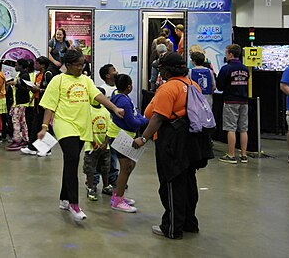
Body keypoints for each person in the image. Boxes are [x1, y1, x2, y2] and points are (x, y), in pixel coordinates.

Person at [38, 49, 125, 222]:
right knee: (72, 159)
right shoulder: (58, 80)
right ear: (68, 65)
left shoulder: (86, 80)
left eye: (82, 64)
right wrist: (44, 126)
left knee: (70, 161)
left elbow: (98, 95)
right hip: (64, 125)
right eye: (77, 65)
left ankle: (63, 198)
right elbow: (50, 106)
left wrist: (114, 108)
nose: (80, 68)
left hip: (82, 126)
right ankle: (73, 203)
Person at [132, 52, 210, 239]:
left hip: (172, 140)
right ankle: (189, 222)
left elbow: (158, 117)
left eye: (161, 68)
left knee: (171, 182)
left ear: (167, 69)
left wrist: (143, 138)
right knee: (188, 181)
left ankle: (172, 227)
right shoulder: (192, 84)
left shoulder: (168, 88)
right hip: (191, 139)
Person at [108, 74, 149, 213]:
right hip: (121, 136)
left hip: (123, 135)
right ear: (129, 86)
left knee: (130, 165)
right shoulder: (124, 101)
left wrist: (139, 118)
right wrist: (145, 121)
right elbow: (132, 121)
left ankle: (118, 194)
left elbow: (133, 116)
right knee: (126, 167)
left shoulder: (121, 97)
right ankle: (118, 199)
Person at [216, 44, 249, 164]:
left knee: (231, 128)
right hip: (244, 101)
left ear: (230, 54)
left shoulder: (226, 69)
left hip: (230, 101)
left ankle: (231, 155)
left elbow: (220, 86)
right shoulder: (245, 68)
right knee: (243, 128)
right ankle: (244, 155)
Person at [83, 88, 111, 202]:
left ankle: (106, 186)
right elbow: (85, 127)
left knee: (105, 168)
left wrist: (105, 143)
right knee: (90, 169)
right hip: (91, 146)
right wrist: (93, 142)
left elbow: (110, 128)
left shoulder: (105, 111)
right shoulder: (87, 110)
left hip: (104, 147)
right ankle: (90, 187)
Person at [5, 59, 30, 151]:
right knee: (22, 121)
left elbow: (26, 87)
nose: (15, 67)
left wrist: (16, 83)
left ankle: (17, 140)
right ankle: (25, 139)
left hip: (21, 102)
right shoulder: (20, 75)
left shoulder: (24, 75)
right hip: (18, 102)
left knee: (15, 120)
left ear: (21, 66)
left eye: (16, 65)